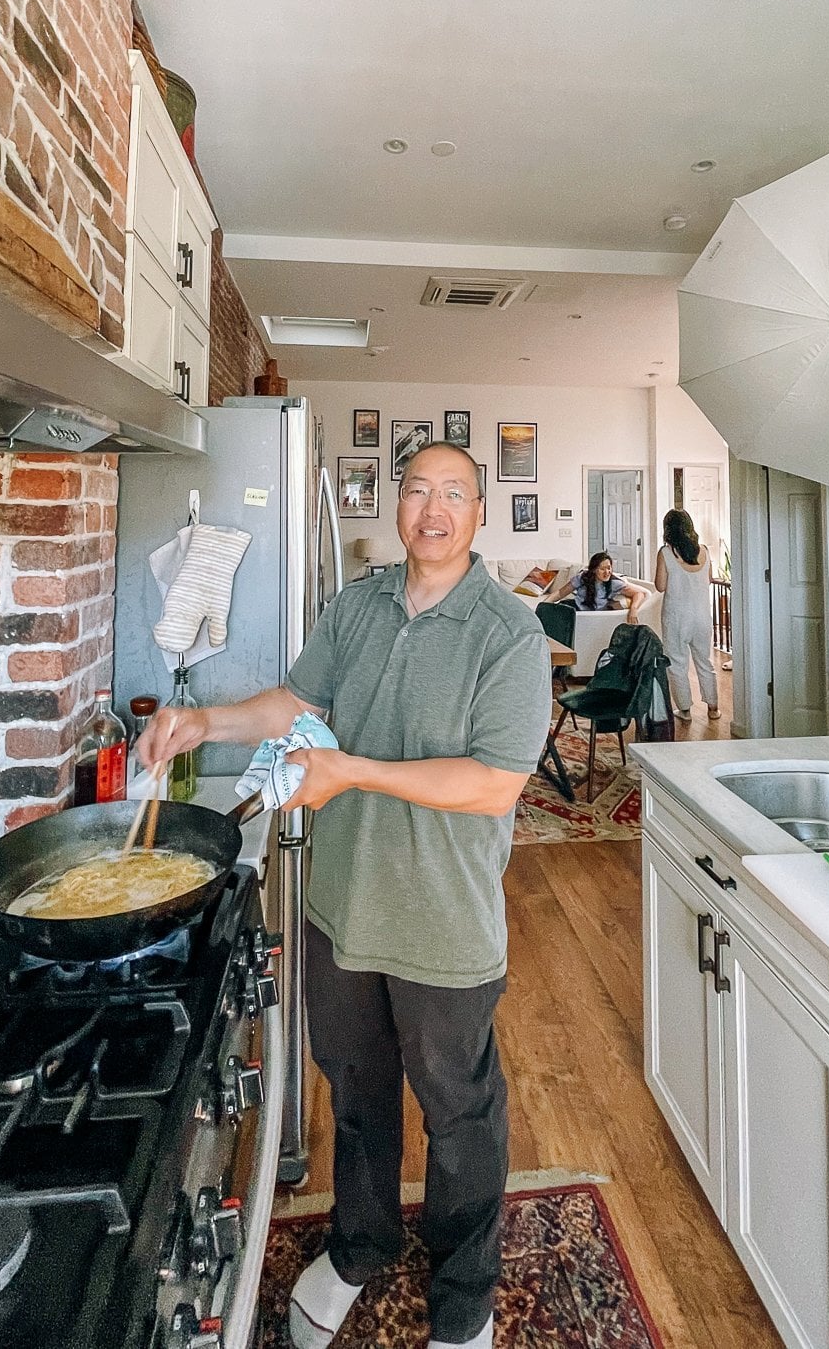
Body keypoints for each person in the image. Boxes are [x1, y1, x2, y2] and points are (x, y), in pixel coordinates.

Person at [136, 440, 551, 1349]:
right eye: (416, 491)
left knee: (460, 1113)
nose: (431, 510)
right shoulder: (358, 605)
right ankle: (360, 1245)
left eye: (453, 494)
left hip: (443, 920)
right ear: (395, 504)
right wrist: (204, 718)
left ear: (478, 512)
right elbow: (296, 701)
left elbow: (494, 784)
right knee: (357, 1095)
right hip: (343, 905)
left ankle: (464, 1298)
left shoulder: (509, 634)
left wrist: (353, 771)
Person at [655, 508, 720, 722]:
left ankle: (684, 710)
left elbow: (660, 586)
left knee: (677, 663)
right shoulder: (704, 551)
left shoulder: (665, 553)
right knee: (705, 661)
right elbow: (708, 579)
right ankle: (713, 708)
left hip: (676, 617)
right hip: (702, 616)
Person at [561, 550, 644, 623]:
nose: (607, 572)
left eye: (609, 568)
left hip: (590, 617)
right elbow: (560, 593)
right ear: (593, 570)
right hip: (573, 608)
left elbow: (639, 594)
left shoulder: (614, 583)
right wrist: (547, 603)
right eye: (602, 569)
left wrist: (634, 608)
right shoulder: (583, 577)